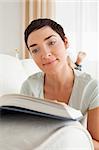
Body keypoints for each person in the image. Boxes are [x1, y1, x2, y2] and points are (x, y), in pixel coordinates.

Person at [21, 18, 99, 149]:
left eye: (51, 42)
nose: (45, 54)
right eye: (35, 50)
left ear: (65, 42)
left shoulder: (91, 87)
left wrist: (65, 132)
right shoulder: (29, 87)